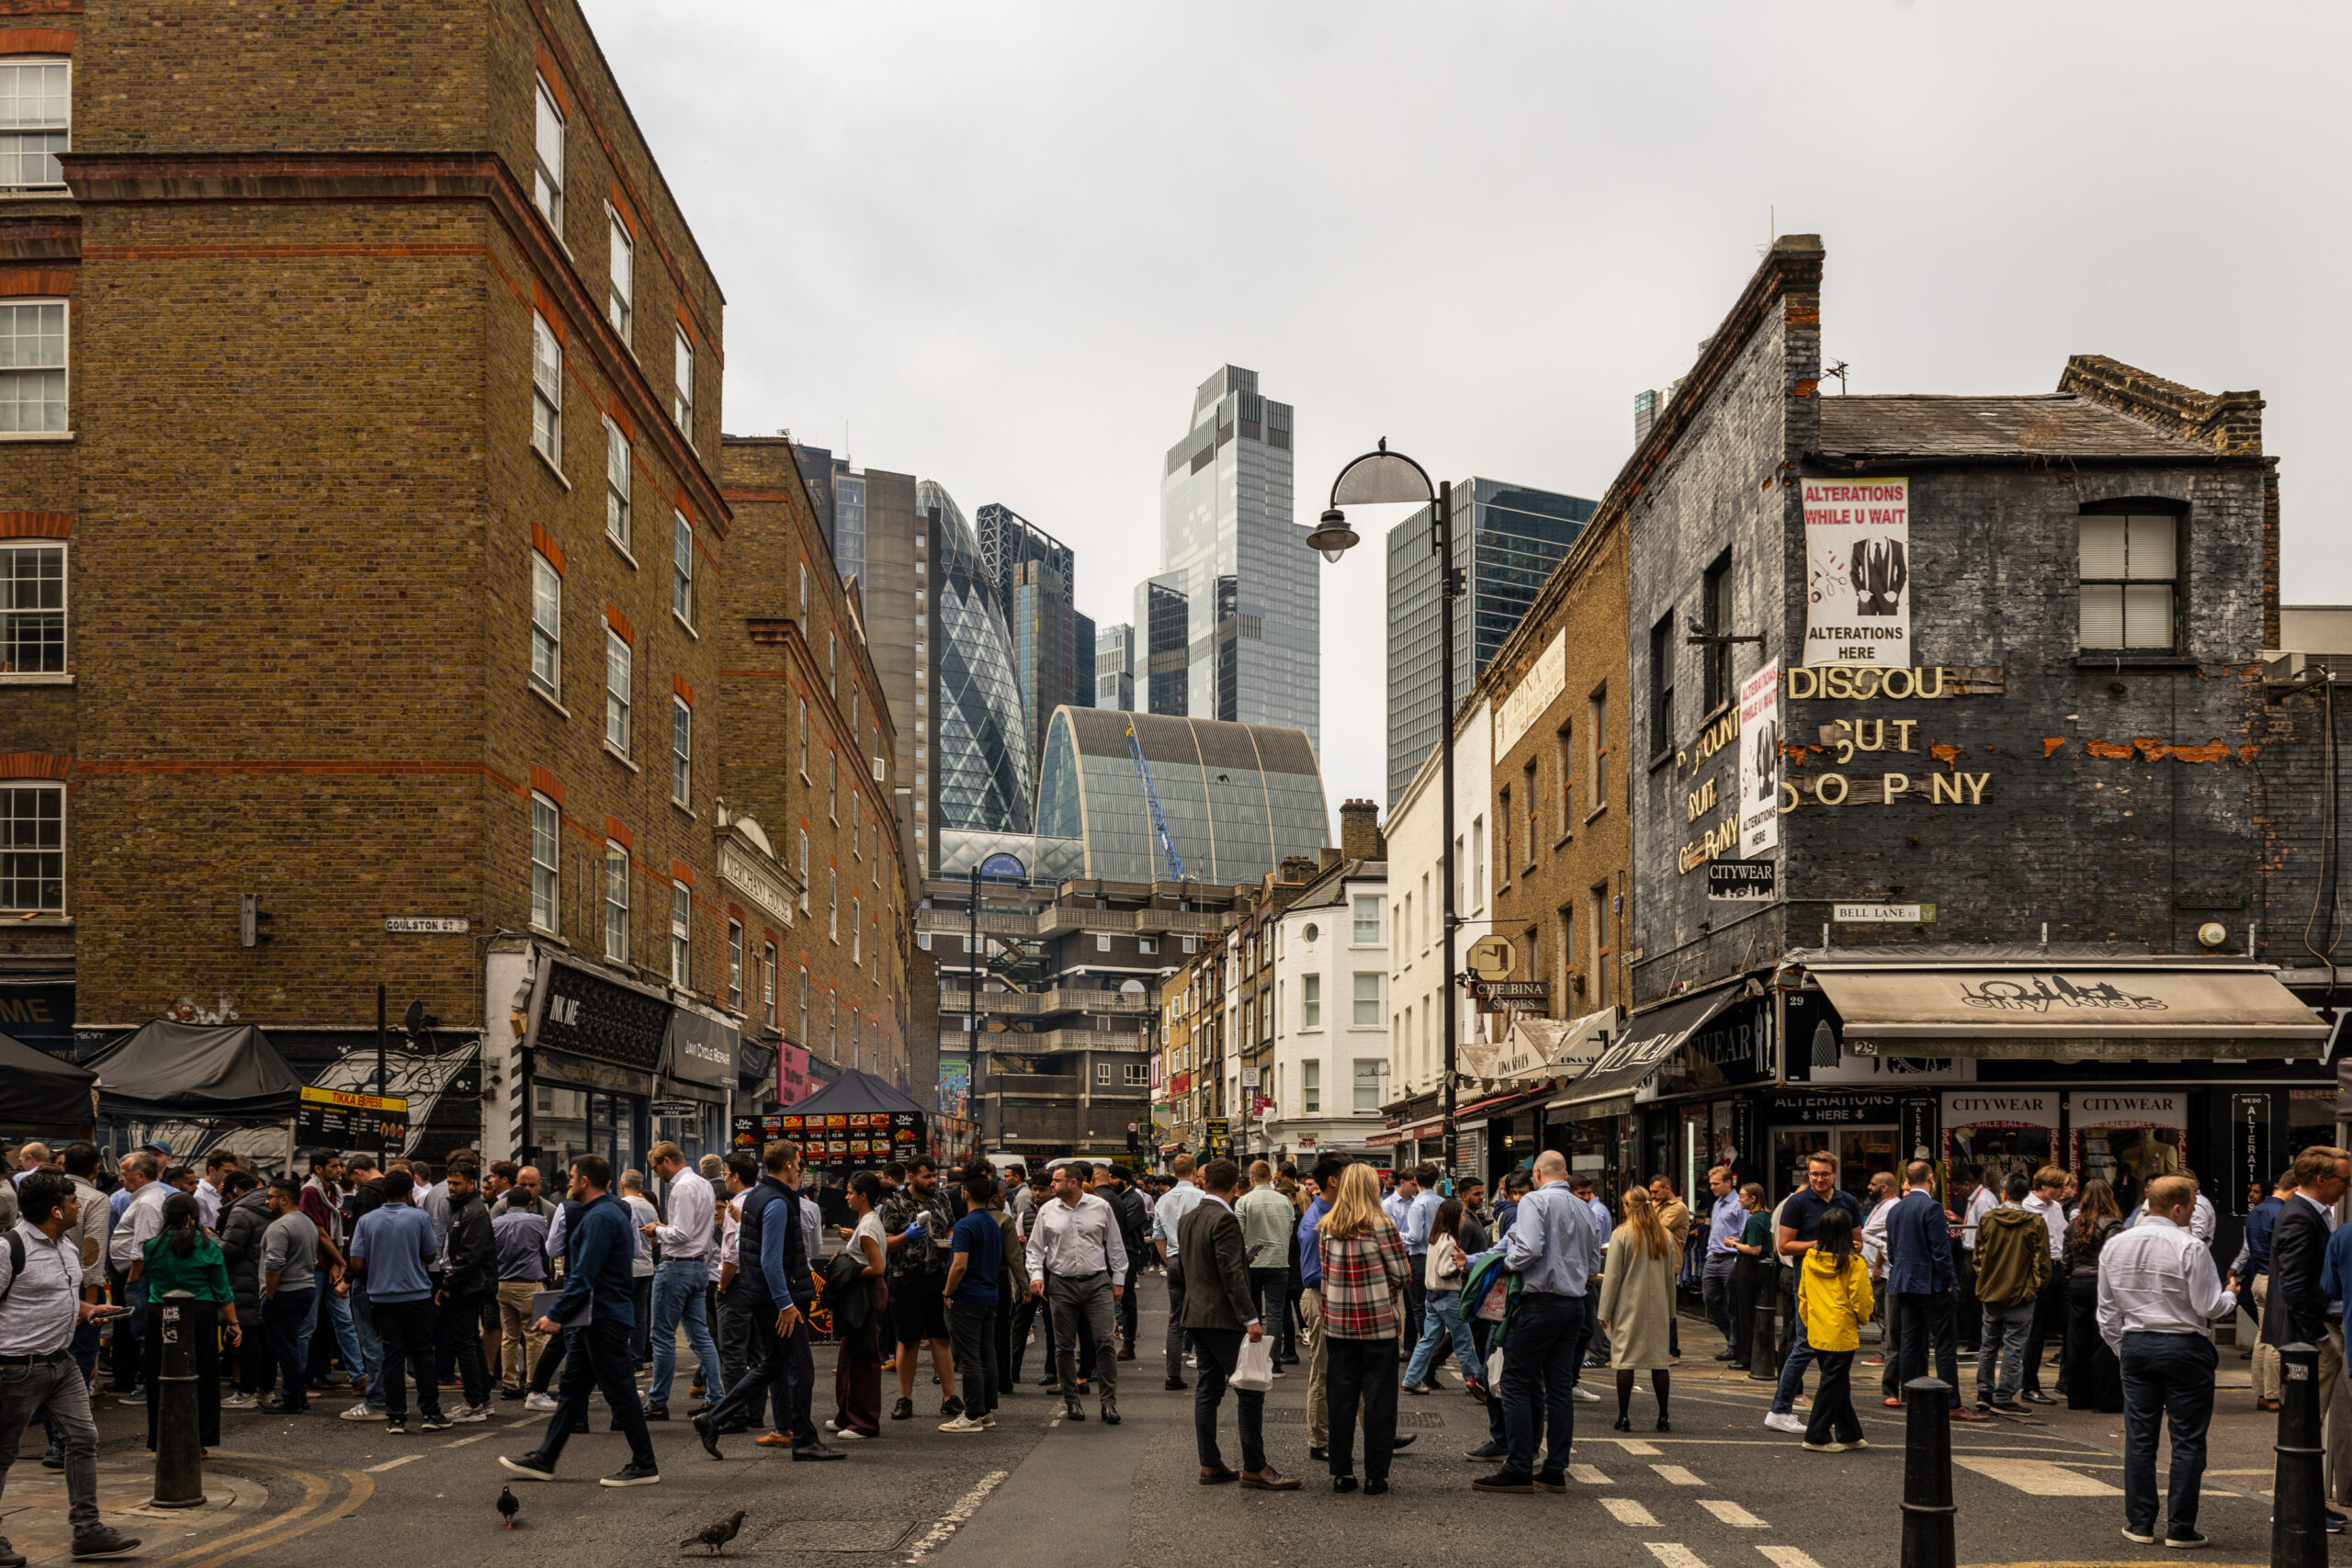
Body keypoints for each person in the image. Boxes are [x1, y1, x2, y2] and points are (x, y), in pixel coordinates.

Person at [0, 1171, 142, 1563]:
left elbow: (56, 1297)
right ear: (56, 1209)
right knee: (2, 1454)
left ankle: (88, 1530)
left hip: (61, 1365)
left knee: (82, 1440)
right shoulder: (8, 1248)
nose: (81, 1206)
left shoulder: (64, 1245)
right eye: (74, 1201)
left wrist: (88, 1309)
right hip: (14, 1369)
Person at [498, 1155, 660, 1486]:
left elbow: (584, 1274)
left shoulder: (600, 1217)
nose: (568, 1182)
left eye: (573, 1177)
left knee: (621, 1391)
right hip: (597, 1316)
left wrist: (555, 1315)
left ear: (585, 1181)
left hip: (604, 1316)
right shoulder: (612, 1211)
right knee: (573, 1389)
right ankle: (545, 1459)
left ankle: (645, 1464)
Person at [2098, 1173, 2236, 1550]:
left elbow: (2107, 1312)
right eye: (2192, 1206)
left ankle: (2140, 1523)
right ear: (2177, 1208)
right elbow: (2208, 1306)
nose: (2195, 1213)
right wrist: (2231, 1295)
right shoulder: (2190, 1246)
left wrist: (2122, 1349)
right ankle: (2180, 1527)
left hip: (2137, 1345)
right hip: (2185, 1347)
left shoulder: (2115, 1245)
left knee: (2140, 1440)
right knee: (2188, 1440)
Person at [690, 1141, 839, 1462]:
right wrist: (786, 1305)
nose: (800, 1168)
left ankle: (712, 1419)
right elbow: (770, 1259)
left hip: (762, 1296)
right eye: (798, 1163)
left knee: (773, 1364)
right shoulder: (776, 1202)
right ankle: (804, 1440)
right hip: (777, 1299)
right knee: (801, 1368)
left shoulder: (757, 1197)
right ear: (787, 1165)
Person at [1474, 1148, 1603, 1495]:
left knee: (1515, 1381)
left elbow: (1528, 1249)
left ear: (1539, 1175)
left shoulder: (1533, 1202)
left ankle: (1517, 1468)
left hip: (1539, 1303)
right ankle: (1555, 1469)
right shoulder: (1585, 1207)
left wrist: (1503, 1264)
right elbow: (1593, 1266)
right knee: (1559, 1389)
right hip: (1574, 1304)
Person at [1173, 1157, 1297, 1490]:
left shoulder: (1188, 1218)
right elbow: (1230, 1275)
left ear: (1203, 1183)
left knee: (1209, 1388)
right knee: (1250, 1388)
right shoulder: (1224, 1220)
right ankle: (1255, 1467)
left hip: (1196, 1313)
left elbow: (1190, 1268)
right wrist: (1252, 1319)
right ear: (1234, 1188)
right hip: (1225, 1318)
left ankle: (1210, 1463)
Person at [2267, 1145, 2350, 1528]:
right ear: (2321, 1180)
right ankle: (2299, 1510)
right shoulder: (2301, 1216)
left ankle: (2306, 1505)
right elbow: (2295, 1286)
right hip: (2309, 1340)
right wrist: (2319, 1337)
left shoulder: (2308, 1212)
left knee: (2305, 1424)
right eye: (2343, 1180)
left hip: (2311, 1335)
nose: (2347, 1187)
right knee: (2304, 1425)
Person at [1315, 1162, 1408, 1495]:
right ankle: (1375, 1475)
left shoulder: (1328, 1225)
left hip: (1338, 1325)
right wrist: (1388, 1292)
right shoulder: (1383, 1225)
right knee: (1380, 1401)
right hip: (1378, 1325)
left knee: (1341, 1400)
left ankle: (1342, 1473)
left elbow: (1326, 1274)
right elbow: (1402, 1273)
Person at [1763, 1153, 1863, 1434]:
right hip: (1808, 1285)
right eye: (1814, 1174)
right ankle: (1780, 1409)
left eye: (1825, 1174)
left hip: (1841, 1285)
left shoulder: (1848, 1201)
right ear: (1807, 1174)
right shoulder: (1797, 1202)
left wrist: (1850, 1247)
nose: (1819, 1179)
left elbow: (1858, 1242)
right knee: (1805, 1344)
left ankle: (1840, 1418)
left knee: (1835, 1354)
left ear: (1835, 1173)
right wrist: (1823, 1244)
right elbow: (1784, 1246)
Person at [1023, 1159, 1126, 1425]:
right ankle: (1072, 1401)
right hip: (1061, 1284)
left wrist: (1119, 1279)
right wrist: (1036, 1276)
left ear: (1073, 1182)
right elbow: (1034, 1249)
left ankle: (1109, 1403)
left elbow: (1115, 1244)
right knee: (1064, 1346)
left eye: (1056, 1181)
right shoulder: (1047, 1211)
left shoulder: (1100, 1207)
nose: (1051, 1185)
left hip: (1097, 1283)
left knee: (1105, 1341)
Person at [345, 1168, 447, 1435]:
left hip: (381, 1297)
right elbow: (429, 1255)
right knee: (424, 1354)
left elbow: (356, 1263)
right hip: (415, 1295)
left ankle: (396, 1417)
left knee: (392, 1355)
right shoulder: (420, 1218)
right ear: (408, 1193)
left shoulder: (367, 1221)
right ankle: (430, 1412)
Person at [1883, 1161, 1984, 1422]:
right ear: (1931, 1178)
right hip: (1932, 1285)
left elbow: (1892, 1251)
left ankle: (1911, 1394)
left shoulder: (1895, 1209)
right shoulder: (1932, 1207)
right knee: (1945, 1345)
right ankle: (1951, 1403)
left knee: (1911, 1343)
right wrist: (1951, 1281)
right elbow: (1941, 1251)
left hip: (1904, 1283)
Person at [138, 1192, 234, 1450]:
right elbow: (222, 1291)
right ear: (193, 1217)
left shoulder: (151, 1246)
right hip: (199, 1314)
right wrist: (234, 1324)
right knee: (202, 1376)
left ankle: (161, 1437)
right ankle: (200, 1438)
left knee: (160, 1375)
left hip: (160, 1314)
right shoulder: (208, 1247)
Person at [639, 1142, 720, 1422]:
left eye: (655, 1167)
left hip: (677, 1267)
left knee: (661, 1336)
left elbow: (682, 1233)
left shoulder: (683, 1187)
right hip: (699, 1266)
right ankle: (716, 1399)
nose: (656, 1173)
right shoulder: (704, 1184)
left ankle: (657, 1402)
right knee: (701, 1336)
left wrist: (657, 1230)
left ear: (666, 1161)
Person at [878, 1158, 958, 1422]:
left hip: (937, 1277)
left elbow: (950, 1225)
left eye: (935, 1176)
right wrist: (906, 1237)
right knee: (908, 1340)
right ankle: (905, 1398)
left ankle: (950, 1398)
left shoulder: (942, 1199)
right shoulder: (894, 1204)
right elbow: (885, 1243)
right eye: (927, 1176)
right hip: (906, 1279)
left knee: (941, 1339)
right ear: (911, 1176)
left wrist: (949, 1236)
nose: (933, 1181)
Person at [1598, 1187, 1678, 1433]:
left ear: (1628, 1207)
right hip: (1657, 1307)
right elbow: (1669, 1277)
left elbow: (1612, 1278)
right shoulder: (1665, 1235)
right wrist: (1671, 1311)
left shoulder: (1622, 1234)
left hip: (1628, 1306)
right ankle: (1663, 1417)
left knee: (1625, 1362)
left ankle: (1623, 1417)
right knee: (1659, 1363)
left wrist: (1604, 1312)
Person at [1973, 1172, 2052, 1413]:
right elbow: (2043, 1264)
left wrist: (1986, 1280)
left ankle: (1984, 1393)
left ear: (2003, 1193)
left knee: (1988, 1345)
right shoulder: (2035, 1222)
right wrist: (2034, 1288)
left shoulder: (1988, 1219)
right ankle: (2005, 1397)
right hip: (2022, 1294)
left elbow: (1978, 1257)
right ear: (2027, 1194)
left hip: (1991, 1292)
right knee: (2014, 1348)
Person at [1795, 1207, 1872, 1452]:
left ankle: (1850, 1434)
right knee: (1832, 1384)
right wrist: (1862, 1319)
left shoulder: (1810, 1259)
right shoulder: (1853, 1263)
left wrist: (1809, 1321)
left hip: (1818, 1327)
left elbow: (1803, 1295)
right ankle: (1816, 1436)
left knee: (1838, 1382)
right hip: (1841, 1330)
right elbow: (1861, 1299)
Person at [940, 1172, 1002, 1433]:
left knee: (969, 1358)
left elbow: (959, 1265)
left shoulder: (965, 1225)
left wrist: (946, 1292)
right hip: (989, 1294)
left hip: (967, 1296)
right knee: (987, 1354)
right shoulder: (993, 1223)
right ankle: (986, 1410)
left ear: (965, 1193)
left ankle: (973, 1413)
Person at [831, 1171, 888, 1440]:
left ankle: (864, 1423)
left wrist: (849, 1270)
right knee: (849, 1358)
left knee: (863, 1358)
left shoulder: (867, 1228)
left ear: (863, 1196)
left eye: (851, 1192)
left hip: (866, 1294)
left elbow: (877, 1268)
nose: (847, 1196)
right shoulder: (866, 1222)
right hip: (860, 1294)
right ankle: (846, 1415)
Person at [1404, 1197, 1480, 1397]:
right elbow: (1445, 1270)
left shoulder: (1436, 1238)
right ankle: (1476, 1382)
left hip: (1432, 1298)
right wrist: (1461, 1270)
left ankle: (1411, 1379)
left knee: (1428, 1340)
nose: (1464, 1217)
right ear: (1455, 1217)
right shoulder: (1450, 1241)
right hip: (1448, 1297)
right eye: (1462, 1214)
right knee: (1464, 1340)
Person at [2062, 1178, 2126, 1413]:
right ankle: (2105, 1398)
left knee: (2077, 1342)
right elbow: (2114, 1259)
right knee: (2104, 1341)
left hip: (2078, 1284)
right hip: (2102, 1284)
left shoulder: (2073, 1226)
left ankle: (2079, 1398)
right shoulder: (2112, 1225)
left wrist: (2073, 1278)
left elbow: (2066, 1261)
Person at [258, 1177, 319, 1416]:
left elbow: (274, 1263)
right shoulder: (307, 1222)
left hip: (285, 1293)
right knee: (292, 1345)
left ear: (284, 1199)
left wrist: (270, 1295)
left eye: (271, 1197)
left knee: (285, 1349)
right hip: (305, 1289)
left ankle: (291, 1400)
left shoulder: (279, 1227)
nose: (267, 1201)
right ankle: (298, 1395)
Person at [2236, 1168, 2292, 1412]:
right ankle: (2271, 1395)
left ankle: (2260, 1393)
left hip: (2258, 1277)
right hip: (2275, 1279)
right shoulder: (2281, 1213)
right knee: (2275, 1338)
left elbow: (2248, 1248)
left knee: (2262, 1336)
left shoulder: (2255, 1212)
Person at [217, 1172, 273, 1408]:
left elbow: (228, 1250)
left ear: (236, 1189)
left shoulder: (241, 1211)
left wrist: (211, 1239)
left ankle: (247, 1392)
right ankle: (266, 1390)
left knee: (248, 1337)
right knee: (267, 1339)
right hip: (266, 1279)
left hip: (244, 1280)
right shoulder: (270, 1205)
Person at [1235, 1161, 1294, 1375]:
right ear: (1271, 1177)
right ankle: (1275, 1361)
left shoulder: (1244, 1201)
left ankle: (1254, 1359)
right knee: (1276, 1312)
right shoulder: (1284, 1201)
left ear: (1251, 1179)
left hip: (1252, 1262)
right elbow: (1289, 1228)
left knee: (1252, 1313)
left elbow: (1237, 1233)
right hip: (1278, 1262)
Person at [492, 1188, 549, 1402]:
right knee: (534, 1337)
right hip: (529, 1285)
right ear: (530, 1204)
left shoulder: (495, 1223)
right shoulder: (537, 1221)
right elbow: (548, 1249)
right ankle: (533, 1384)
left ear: (507, 1204)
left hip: (503, 1284)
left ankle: (509, 1385)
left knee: (509, 1337)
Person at [2018, 1166, 2069, 1405]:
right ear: (2043, 1186)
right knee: (2035, 1332)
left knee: (2070, 1326)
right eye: (2058, 1186)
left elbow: (2062, 1236)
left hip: (2060, 1268)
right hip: (2039, 1270)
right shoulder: (2026, 1207)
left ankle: (2066, 1381)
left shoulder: (2057, 1207)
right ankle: (2030, 1386)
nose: (2063, 1191)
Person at [1152, 1156, 1204, 1392]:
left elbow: (1158, 1236)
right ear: (1194, 1172)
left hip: (1174, 1260)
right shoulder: (1202, 1198)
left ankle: (1173, 1375)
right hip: (1198, 1262)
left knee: (1176, 1319)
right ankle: (1205, 1368)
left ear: (1174, 1173)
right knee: (1203, 1316)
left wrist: (1168, 1260)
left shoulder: (1163, 1200)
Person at [1947, 1164, 1996, 1353]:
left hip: (1978, 1256)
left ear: (1967, 1184)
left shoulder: (1984, 1201)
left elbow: (1988, 1231)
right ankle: (1973, 1339)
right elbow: (1976, 1225)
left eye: (1957, 1189)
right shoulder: (1974, 1199)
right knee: (1966, 1299)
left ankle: (1978, 1342)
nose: (1957, 1194)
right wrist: (1959, 1220)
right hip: (1969, 1254)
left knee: (1976, 1301)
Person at [1701, 1166, 1743, 1359]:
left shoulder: (1739, 1204)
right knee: (1711, 1300)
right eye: (1710, 1184)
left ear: (1728, 1182)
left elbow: (1743, 1235)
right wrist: (1710, 1253)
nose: (1712, 1187)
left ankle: (1736, 1345)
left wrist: (1736, 1259)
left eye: (1716, 1184)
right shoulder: (1717, 1203)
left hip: (1730, 1259)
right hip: (1713, 1258)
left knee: (1734, 1304)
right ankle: (1731, 1339)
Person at [1728, 1182, 1771, 1368]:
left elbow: (1754, 1249)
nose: (1739, 1199)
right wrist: (1740, 1240)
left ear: (1752, 1199)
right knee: (1754, 1313)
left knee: (1745, 1313)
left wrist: (1734, 1245)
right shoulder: (1763, 1216)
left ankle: (1746, 1357)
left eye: (1742, 1196)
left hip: (1749, 1268)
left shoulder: (1754, 1220)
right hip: (1760, 1267)